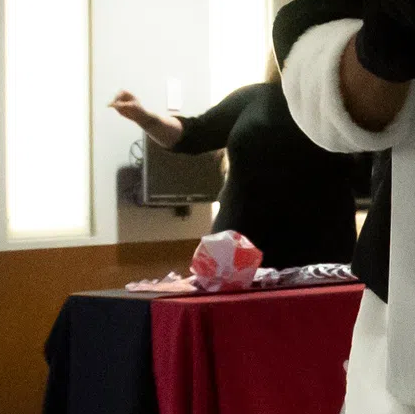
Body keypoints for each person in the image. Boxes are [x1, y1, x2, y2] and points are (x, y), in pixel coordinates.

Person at [110, 74, 359, 269]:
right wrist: (145, 118)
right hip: (236, 257)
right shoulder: (254, 97)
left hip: (324, 256)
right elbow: (192, 134)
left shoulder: (349, 106)